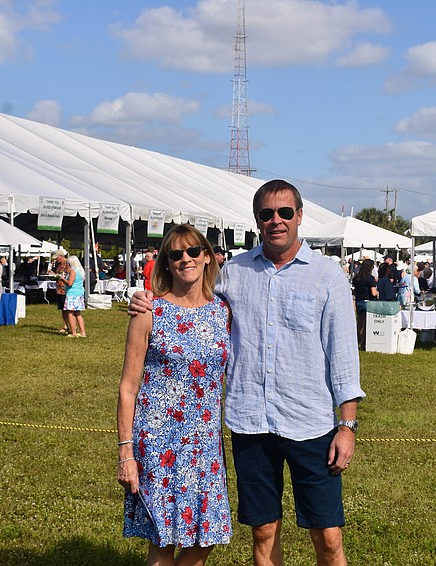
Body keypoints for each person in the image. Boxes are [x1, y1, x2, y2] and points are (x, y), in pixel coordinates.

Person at [130, 179, 364, 566]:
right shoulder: (233, 272)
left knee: (327, 536)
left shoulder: (327, 276)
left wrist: (347, 426)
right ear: (257, 220)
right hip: (251, 424)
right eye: (266, 214)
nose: (276, 220)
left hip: (310, 423)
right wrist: (148, 297)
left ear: (299, 216)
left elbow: (344, 356)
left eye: (284, 212)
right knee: (263, 531)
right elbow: (192, 294)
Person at [117, 224, 232, 564]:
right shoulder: (149, 311)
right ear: (166, 263)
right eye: (176, 254)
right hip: (159, 441)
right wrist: (125, 453)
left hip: (205, 442)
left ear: (208, 257)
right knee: (163, 539)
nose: (186, 259)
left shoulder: (223, 311)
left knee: (208, 534)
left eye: (193, 251)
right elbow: (128, 386)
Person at [352, 259, 377, 348]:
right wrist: (378, 293)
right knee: (366, 325)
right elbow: (373, 293)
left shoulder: (356, 278)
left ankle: (355, 340)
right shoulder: (370, 278)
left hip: (359, 301)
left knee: (359, 324)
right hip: (368, 302)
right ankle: (363, 344)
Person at [62, 255, 86, 338]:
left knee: (70, 313)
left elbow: (70, 283)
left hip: (72, 294)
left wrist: (62, 279)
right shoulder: (81, 270)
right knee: (78, 313)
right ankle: (82, 332)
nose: (68, 264)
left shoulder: (73, 271)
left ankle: (73, 332)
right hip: (79, 293)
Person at [48, 248, 70, 334]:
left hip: (65, 289)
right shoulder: (58, 265)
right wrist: (52, 274)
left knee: (68, 309)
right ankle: (65, 325)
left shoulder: (67, 264)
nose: (56, 260)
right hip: (59, 289)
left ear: (61, 256)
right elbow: (58, 275)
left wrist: (59, 276)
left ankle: (71, 326)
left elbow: (68, 275)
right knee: (63, 309)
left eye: (57, 258)